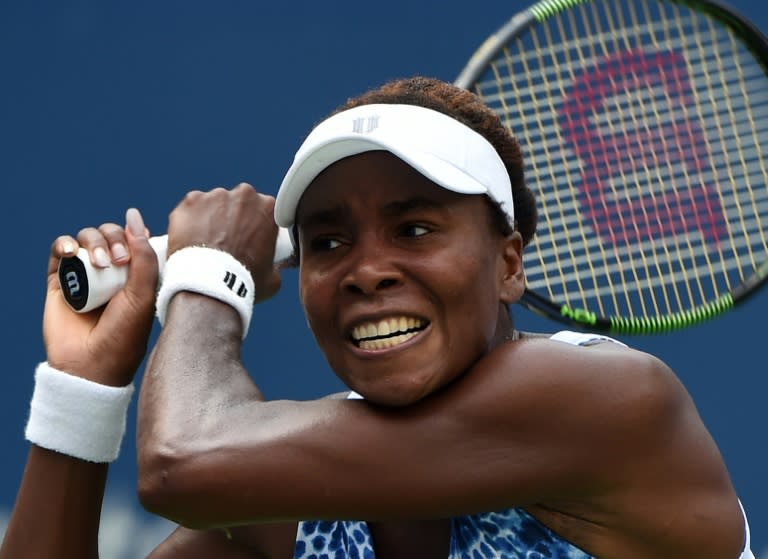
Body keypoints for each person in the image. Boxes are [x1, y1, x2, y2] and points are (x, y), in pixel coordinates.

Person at [0, 76, 754, 559]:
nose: (366, 271)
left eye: (414, 228)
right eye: (328, 241)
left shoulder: (608, 399)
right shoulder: (303, 513)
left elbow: (180, 465)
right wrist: (83, 384)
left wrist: (207, 275)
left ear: (510, 264)